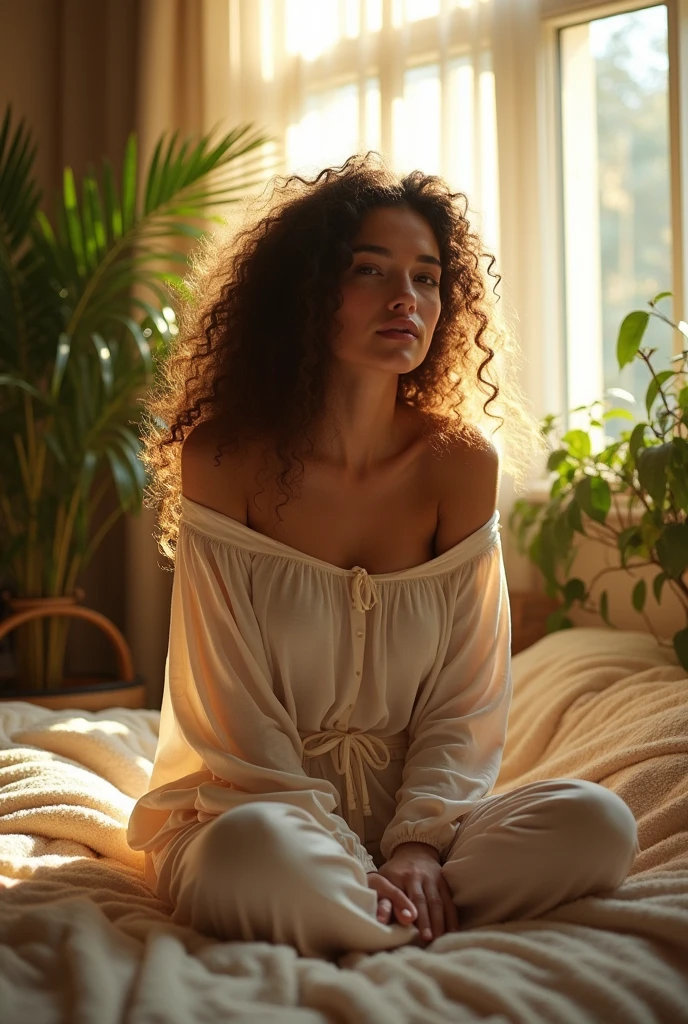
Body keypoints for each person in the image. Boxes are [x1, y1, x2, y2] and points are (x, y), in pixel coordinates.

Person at [126, 154, 639, 962]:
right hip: (256, 813)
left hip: (427, 826)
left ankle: (383, 905)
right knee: (247, 857)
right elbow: (233, 715)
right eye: (371, 270)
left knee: (599, 824)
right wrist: (329, 846)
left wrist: (416, 847)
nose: (408, 299)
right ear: (305, 292)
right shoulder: (224, 459)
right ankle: (407, 918)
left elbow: (467, 701)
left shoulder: (460, 465)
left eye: (428, 277)